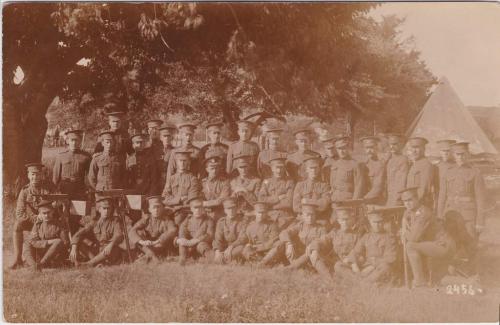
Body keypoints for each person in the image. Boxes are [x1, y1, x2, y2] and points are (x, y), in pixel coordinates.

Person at [437, 142, 487, 279]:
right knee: (452, 242)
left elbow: (481, 199)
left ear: (468, 154)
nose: (461, 157)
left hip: (468, 214)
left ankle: (472, 273)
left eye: (464, 154)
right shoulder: (448, 172)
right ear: (453, 155)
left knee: (470, 242)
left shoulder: (475, 172)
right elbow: (442, 196)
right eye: (458, 154)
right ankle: (453, 270)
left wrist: (480, 221)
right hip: (451, 213)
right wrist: (439, 216)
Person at [400, 187, 456, 288]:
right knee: (438, 280)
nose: (407, 204)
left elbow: (413, 238)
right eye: (404, 201)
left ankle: (420, 282)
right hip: (436, 244)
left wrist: (403, 231)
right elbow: (405, 215)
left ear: (417, 199)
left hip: (443, 245)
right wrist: (404, 222)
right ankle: (469, 281)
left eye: (410, 200)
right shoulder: (412, 210)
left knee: (410, 246)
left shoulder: (423, 213)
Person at [9, 163, 54, 269]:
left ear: (42, 175)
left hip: (47, 222)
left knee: (36, 255)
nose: (35, 177)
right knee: (17, 225)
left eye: (38, 174)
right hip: (33, 222)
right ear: (28, 175)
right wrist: (35, 219)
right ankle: (17, 258)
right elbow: (19, 213)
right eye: (33, 174)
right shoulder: (24, 191)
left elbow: (58, 204)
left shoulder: (49, 188)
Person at [263, 200, 328, 270]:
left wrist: (312, 247)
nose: (310, 218)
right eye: (307, 215)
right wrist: (289, 243)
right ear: (303, 215)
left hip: (311, 259)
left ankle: (290, 268)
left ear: (315, 215)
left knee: (311, 250)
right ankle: (262, 263)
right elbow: (284, 233)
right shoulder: (300, 226)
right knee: (281, 243)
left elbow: (323, 245)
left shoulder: (321, 229)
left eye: (312, 215)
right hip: (296, 257)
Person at [342, 208, 398, 284]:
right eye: (374, 222)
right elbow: (355, 251)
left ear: (383, 222)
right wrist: (354, 264)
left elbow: (390, 258)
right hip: (366, 266)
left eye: (379, 222)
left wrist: (373, 265)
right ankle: (358, 280)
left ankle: (362, 282)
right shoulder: (367, 236)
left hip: (378, 268)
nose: (377, 225)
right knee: (339, 265)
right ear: (370, 222)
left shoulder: (389, 238)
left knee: (386, 267)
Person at [69, 195, 124, 267]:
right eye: (104, 208)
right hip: (97, 250)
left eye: (108, 208)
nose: (106, 211)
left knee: (114, 248)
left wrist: (111, 244)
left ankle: (89, 264)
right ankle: (97, 263)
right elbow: (79, 234)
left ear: (111, 209)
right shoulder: (94, 222)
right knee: (80, 244)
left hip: (109, 250)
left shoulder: (115, 221)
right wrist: (74, 247)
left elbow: (118, 235)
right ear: (99, 209)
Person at [307, 205, 362, 276]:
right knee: (314, 254)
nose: (344, 222)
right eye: (342, 220)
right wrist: (314, 248)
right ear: (338, 221)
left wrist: (350, 260)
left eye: (347, 219)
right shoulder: (335, 233)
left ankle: (355, 279)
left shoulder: (357, 235)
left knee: (338, 266)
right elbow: (322, 240)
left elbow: (359, 251)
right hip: (334, 261)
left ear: (351, 220)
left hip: (349, 263)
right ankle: (329, 278)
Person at [128, 196, 178, 263]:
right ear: (149, 209)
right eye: (154, 208)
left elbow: (173, 230)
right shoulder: (146, 219)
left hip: (160, 244)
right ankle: (153, 257)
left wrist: (158, 241)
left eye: (158, 207)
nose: (156, 210)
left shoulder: (167, 220)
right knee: (139, 233)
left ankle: (148, 256)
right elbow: (132, 230)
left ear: (163, 208)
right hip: (147, 244)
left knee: (162, 242)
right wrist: (142, 242)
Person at [24, 200, 69, 271]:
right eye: (44, 213)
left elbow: (65, 243)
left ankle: (41, 264)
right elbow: (33, 241)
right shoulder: (38, 224)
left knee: (58, 241)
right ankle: (33, 265)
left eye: (48, 213)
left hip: (53, 255)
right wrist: (48, 242)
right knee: (27, 242)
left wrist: (52, 243)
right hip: (40, 252)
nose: (46, 215)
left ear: (52, 212)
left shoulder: (59, 224)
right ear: (40, 214)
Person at [162, 151, 202, 225]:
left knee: (177, 219)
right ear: (176, 162)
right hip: (170, 209)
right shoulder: (172, 179)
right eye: (180, 161)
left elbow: (191, 199)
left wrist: (174, 203)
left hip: (185, 210)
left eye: (185, 161)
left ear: (189, 162)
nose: (182, 163)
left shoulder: (193, 179)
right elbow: (165, 197)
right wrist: (179, 199)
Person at [257, 153, 295, 230]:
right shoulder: (267, 182)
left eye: (281, 167)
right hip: (269, 216)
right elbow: (261, 199)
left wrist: (269, 205)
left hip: (285, 216)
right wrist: (278, 198)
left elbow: (288, 203)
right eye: (276, 168)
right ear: (272, 168)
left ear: (284, 168)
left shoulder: (289, 182)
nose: (279, 171)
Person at [175, 196, 215, 265]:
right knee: (182, 241)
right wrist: (184, 240)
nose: (198, 210)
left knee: (201, 245)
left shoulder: (209, 220)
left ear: (203, 208)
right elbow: (182, 232)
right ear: (191, 209)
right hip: (190, 246)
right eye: (195, 208)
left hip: (202, 245)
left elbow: (210, 235)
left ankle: (209, 259)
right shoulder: (188, 220)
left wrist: (196, 240)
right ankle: (184, 260)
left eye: (200, 207)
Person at [52, 129, 91, 199]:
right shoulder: (61, 156)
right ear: (67, 141)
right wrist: (55, 189)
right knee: (64, 208)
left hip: (79, 188)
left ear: (80, 141)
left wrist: (88, 187)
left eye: (76, 140)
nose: (74, 143)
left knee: (79, 208)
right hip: (64, 188)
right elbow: (56, 176)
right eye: (72, 140)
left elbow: (90, 175)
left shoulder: (86, 156)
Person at [292, 156, 331, 224]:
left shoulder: (324, 186)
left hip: (319, 219)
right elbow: (296, 207)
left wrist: (308, 201)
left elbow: (324, 205)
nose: (313, 171)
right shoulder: (300, 185)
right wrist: (316, 203)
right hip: (302, 219)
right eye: (311, 168)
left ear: (319, 169)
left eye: (316, 168)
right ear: (307, 169)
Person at [329, 136, 364, 204]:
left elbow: (358, 186)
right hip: (334, 198)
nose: (341, 151)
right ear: (336, 149)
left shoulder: (355, 164)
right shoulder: (335, 164)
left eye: (344, 148)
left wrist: (354, 201)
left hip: (347, 199)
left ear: (348, 148)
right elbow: (332, 183)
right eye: (339, 149)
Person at [212, 198, 248, 264]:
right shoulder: (221, 222)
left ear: (236, 208)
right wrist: (217, 251)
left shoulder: (243, 221)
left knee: (241, 249)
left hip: (237, 246)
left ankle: (227, 259)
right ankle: (225, 258)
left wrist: (231, 246)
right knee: (214, 254)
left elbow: (242, 238)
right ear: (225, 210)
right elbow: (218, 238)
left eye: (233, 208)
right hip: (224, 247)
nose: (231, 211)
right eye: (228, 209)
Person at [406, 137, 437, 209]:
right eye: (412, 148)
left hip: (421, 204)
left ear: (423, 149)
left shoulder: (426, 164)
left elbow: (424, 189)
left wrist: (414, 203)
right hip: (412, 203)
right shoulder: (415, 164)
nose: (414, 151)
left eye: (417, 148)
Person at [201, 148, 231, 221]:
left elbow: (222, 199)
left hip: (219, 213)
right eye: (212, 168)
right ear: (207, 169)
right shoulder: (202, 182)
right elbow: (198, 199)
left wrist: (204, 203)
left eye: (216, 168)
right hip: (204, 213)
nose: (214, 171)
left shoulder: (225, 182)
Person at [385, 134, 409, 207]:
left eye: (394, 144)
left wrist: (397, 198)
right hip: (389, 196)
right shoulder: (389, 160)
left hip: (397, 197)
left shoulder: (403, 160)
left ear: (401, 144)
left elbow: (402, 181)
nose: (391, 147)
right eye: (390, 144)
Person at [360, 136, 386, 205]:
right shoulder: (364, 164)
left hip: (376, 200)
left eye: (371, 147)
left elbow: (378, 187)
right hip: (365, 199)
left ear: (376, 147)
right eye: (367, 148)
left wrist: (364, 199)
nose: (369, 150)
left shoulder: (381, 164)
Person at [156, 123, 177, 192]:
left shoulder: (175, 151)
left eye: (169, 136)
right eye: (164, 136)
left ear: (172, 137)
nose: (167, 138)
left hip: (171, 181)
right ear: (161, 137)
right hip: (157, 181)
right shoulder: (156, 151)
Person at [435, 139, 456, 205]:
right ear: (440, 152)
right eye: (443, 151)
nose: (445, 153)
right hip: (438, 196)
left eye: (448, 151)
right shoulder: (436, 166)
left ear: (452, 152)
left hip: (452, 197)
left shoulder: (456, 166)